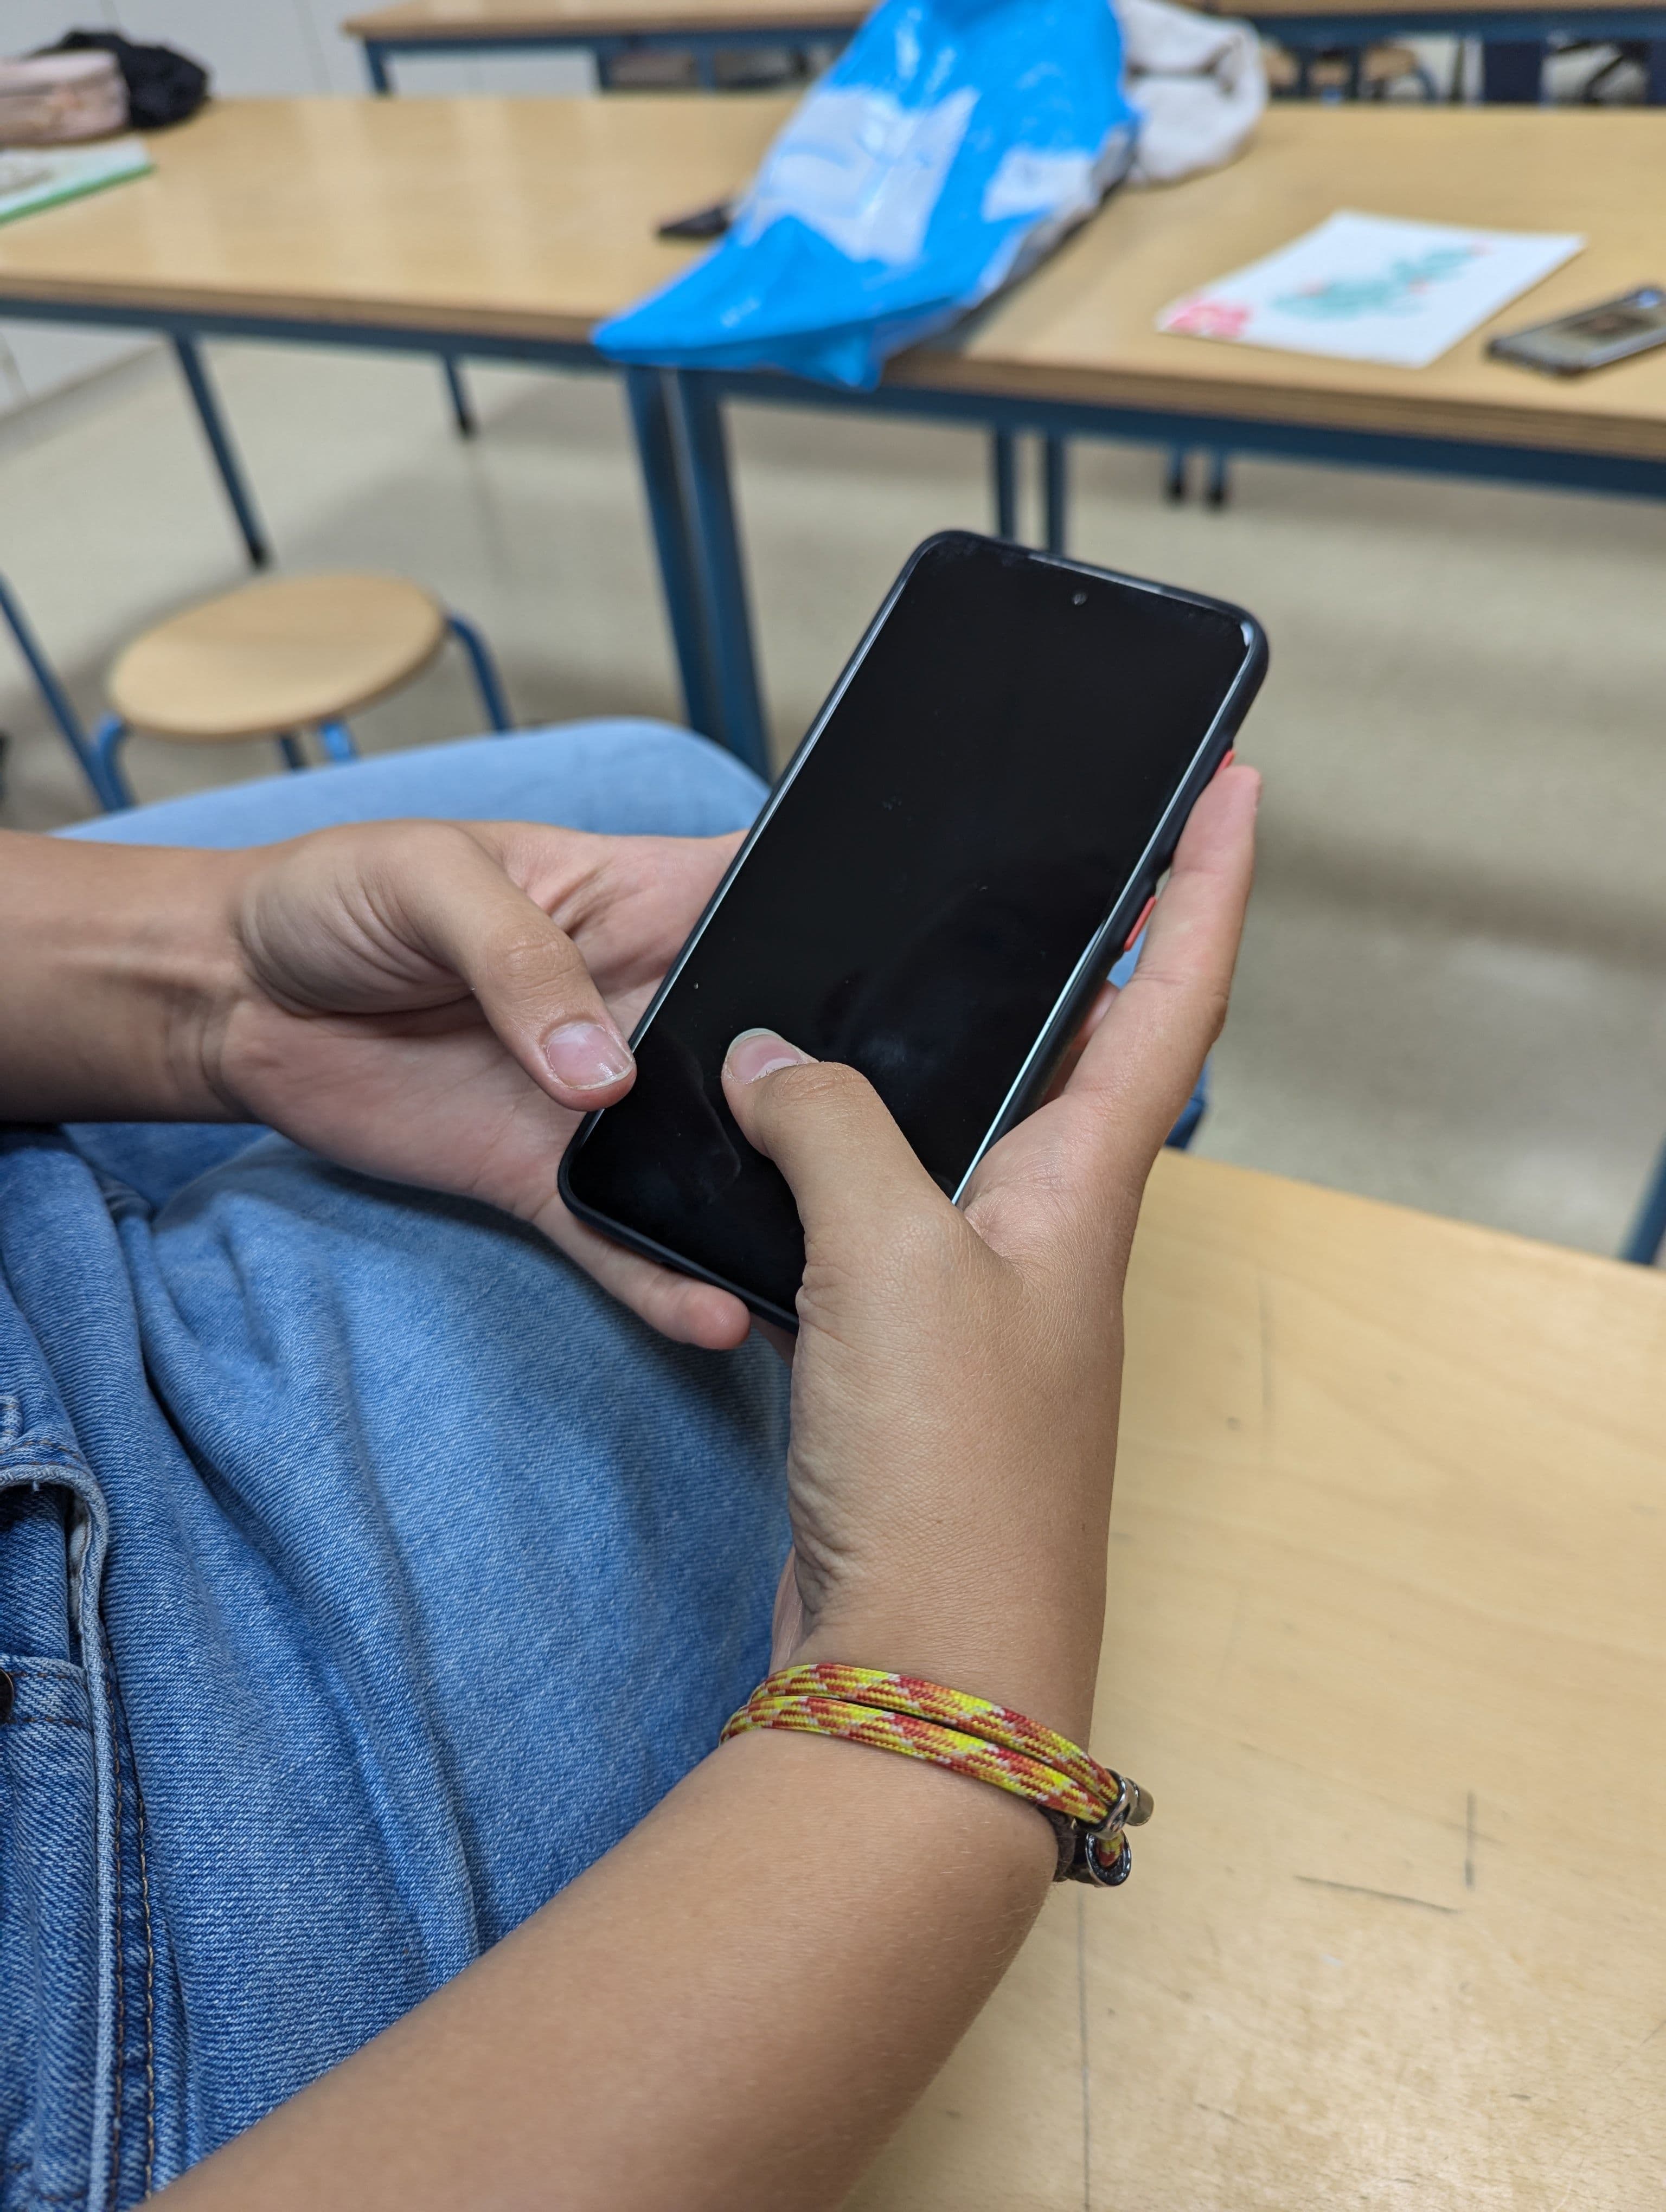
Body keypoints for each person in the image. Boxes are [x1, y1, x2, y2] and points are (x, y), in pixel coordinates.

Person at [0, 716, 1258, 2212]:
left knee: (669, 823)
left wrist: (211, 987)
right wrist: (946, 1688)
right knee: (891, 1087)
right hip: (104, 1892)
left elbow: (236, 975)